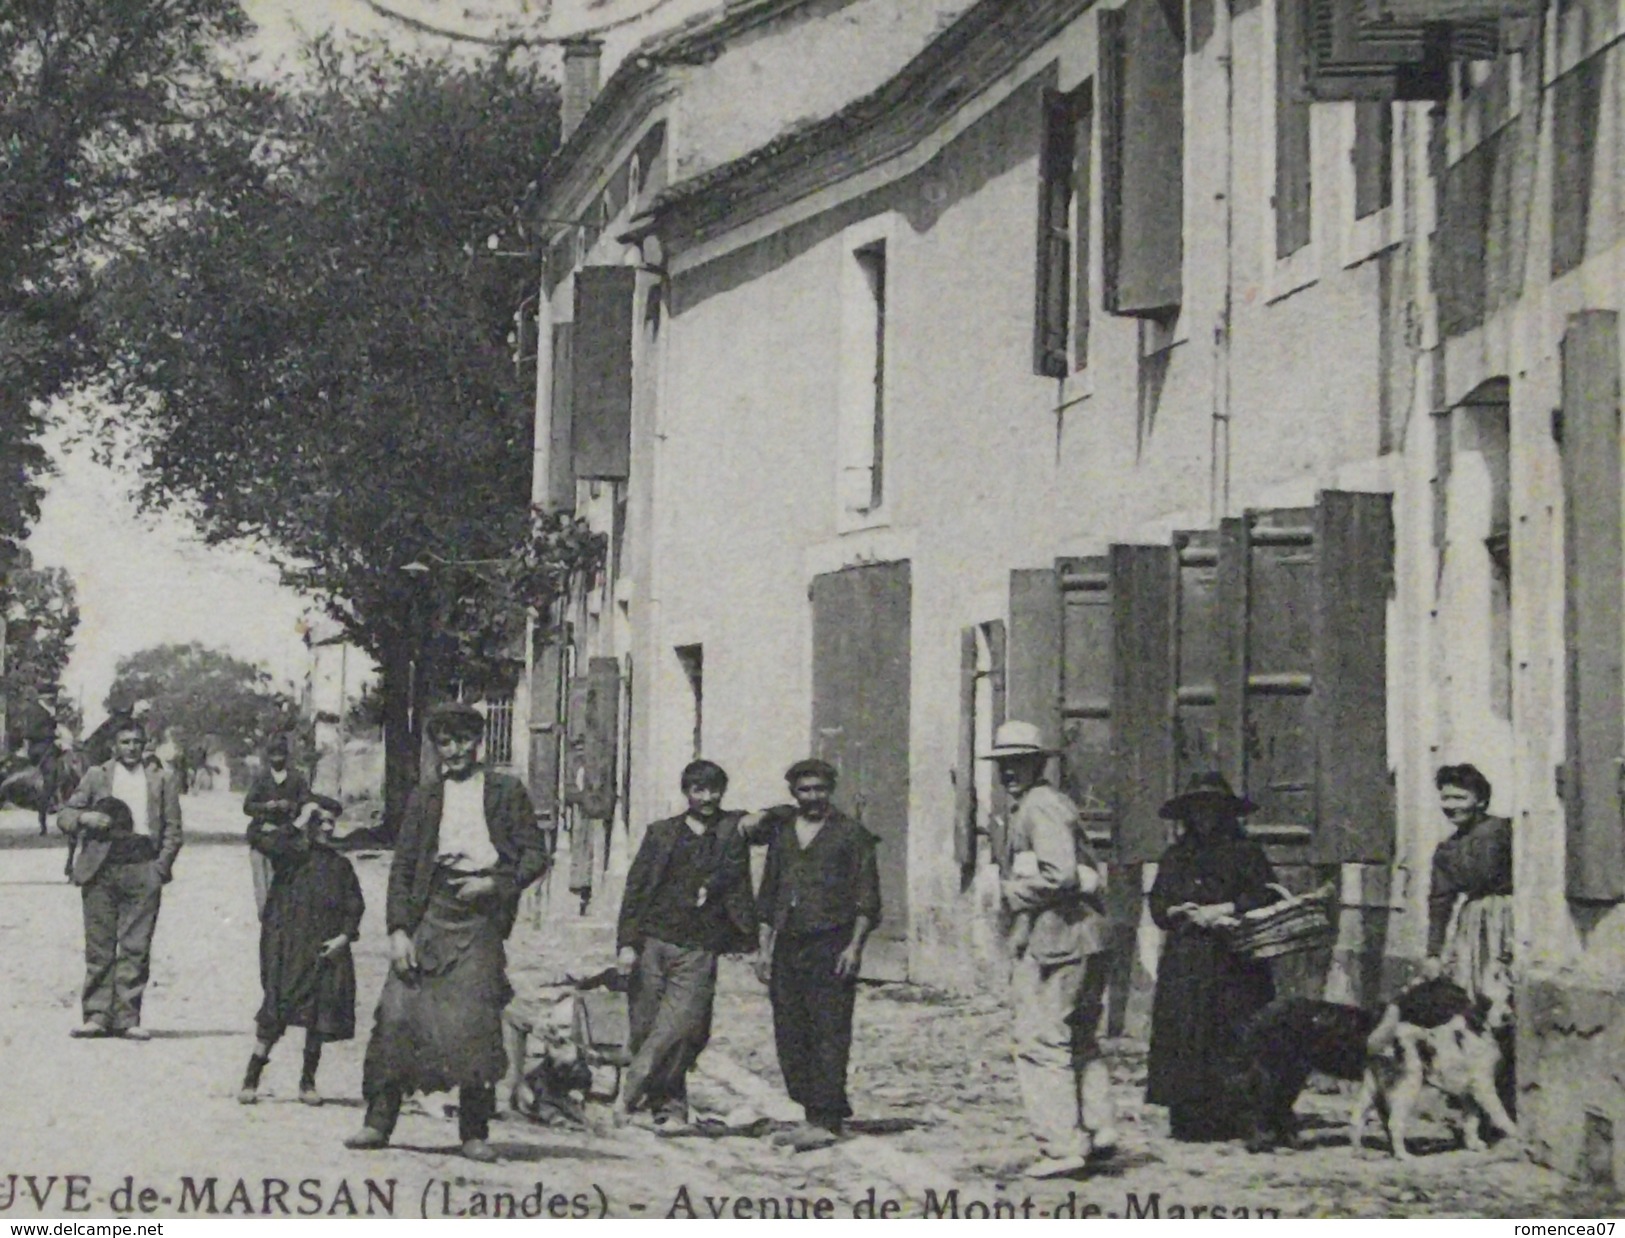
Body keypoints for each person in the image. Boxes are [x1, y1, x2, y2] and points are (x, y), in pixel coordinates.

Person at [345, 702, 548, 1163]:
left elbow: (536, 855)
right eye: (445, 742)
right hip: (429, 911)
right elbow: (401, 867)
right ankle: (378, 1122)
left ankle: (474, 1131)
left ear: (479, 744)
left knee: (475, 1024)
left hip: (478, 919)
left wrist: (496, 884)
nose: (454, 750)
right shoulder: (425, 795)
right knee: (398, 1016)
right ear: (437, 748)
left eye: (463, 741)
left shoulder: (505, 791)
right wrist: (398, 930)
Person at [984, 721, 1117, 1178]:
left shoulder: (1038, 808)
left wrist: (1011, 892)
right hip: (1084, 936)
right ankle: (1098, 1129)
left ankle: (1061, 1145)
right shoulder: (1051, 804)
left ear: (1039, 764)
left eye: (1018, 763)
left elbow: (1060, 874)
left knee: (1041, 1041)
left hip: (1059, 940)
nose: (1009, 773)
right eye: (1003, 765)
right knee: (1080, 1037)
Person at [611, 759, 756, 1131]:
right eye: (698, 790)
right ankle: (668, 1106)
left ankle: (633, 1088)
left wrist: (752, 820)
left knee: (680, 1027)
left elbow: (781, 817)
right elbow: (636, 890)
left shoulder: (730, 829)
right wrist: (627, 944)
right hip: (652, 942)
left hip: (699, 945)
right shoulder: (661, 834)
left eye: (714, 790)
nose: (707, 797)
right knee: (646, 1026)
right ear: (686, 793)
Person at [752, 758, 880, 1152]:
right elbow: (769, 894)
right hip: (789, 945)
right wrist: (764, 949)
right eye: (805, 790)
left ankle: (826, 1117)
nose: (813, 797)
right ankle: (811, 1107)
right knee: (790, 1031)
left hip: (831, 944)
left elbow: (867, 899)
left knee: (828, 1030)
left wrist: (854, 948)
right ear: (794, 793)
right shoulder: (784, 835)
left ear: (831, 790)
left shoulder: (851, 835)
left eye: (820, 789)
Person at [1145, 771, 1278, 1142]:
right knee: (1186, 1034)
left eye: (1213, 809)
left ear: (1226, 814)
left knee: (1234, 1033)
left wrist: (1227, 908)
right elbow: (1158, 904)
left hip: (1234, 960)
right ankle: (1190, 1116)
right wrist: (1177, 911)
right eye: (1197, 810)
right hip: (1186, 961)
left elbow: (1267, 895)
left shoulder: (1246, 853)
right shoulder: (1175, 857)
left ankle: (1239, 1115)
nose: (1205, 817)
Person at [57, 715, 184, 1040]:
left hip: (142, 867)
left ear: (145, 746)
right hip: (100, 868)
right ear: (114, 746)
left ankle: (128, 1017)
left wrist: (159, 869)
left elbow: (173, 830)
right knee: (99, 946)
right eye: (125, 742)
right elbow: (65, 815)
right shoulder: (97, 775)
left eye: (137, 743)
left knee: (135, 946)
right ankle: (97, 1016)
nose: (131, 748)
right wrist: (85, 817)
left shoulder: (162, 778)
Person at [240, 794, 359, 1106]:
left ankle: (308, 1081)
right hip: (286, 946)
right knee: (275, 1008)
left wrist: (343, 938)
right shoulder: (290, 855)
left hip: (323, 949)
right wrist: (299, 820)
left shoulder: (340, 865)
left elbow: (354, 907)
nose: (329, 829)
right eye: (321, 822)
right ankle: (251, 1076)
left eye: (333, 822)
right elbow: (262, 840)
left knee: (318, 1016)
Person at [243, 735, 313, 919]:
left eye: (280, 755)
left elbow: (306, 803)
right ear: (269, 757)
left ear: (286, 756)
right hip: (262, 836)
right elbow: (248, 806)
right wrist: (266, 806)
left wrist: (290, 805)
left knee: (283, 885)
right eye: (273, 755)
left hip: (287, 838)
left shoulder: (297, 778)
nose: (277, 759)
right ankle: (265, 920)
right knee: (262, 886)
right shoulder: (262, 778)